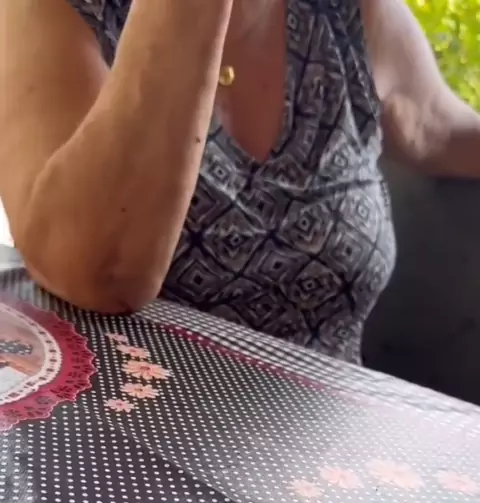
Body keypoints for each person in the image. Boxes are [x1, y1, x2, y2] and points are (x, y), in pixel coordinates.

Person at [0, 1, 479, 362]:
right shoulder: (52, 11)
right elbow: (96, 274)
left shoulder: (346, 13)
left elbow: (434, 127)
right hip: (124, 450)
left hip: (342, 452)